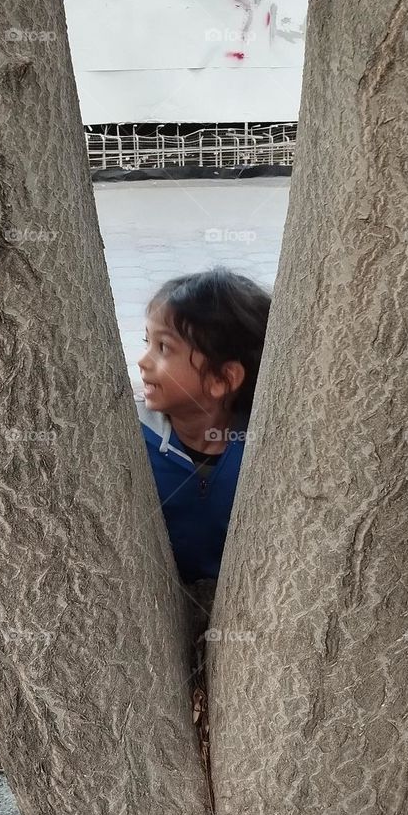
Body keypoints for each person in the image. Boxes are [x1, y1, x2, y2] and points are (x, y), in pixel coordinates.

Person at [135, 267, 271, 671]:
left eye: (163, 349)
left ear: (223, 378)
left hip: (244, 612)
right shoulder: (133, 438)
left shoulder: (264, 447)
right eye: (147, 343)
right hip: (164, 612)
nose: (142, 362)